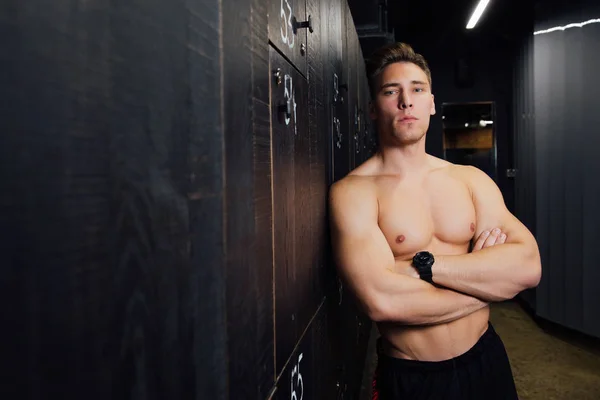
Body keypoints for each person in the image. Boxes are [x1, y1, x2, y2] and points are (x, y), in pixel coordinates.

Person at [328, 42, 542, 399]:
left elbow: (528, 266)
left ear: (431, 104)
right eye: (390, 91)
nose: (405, 101)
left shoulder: (470, 180)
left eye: (417, 89)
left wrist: (423, 268)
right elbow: (382, 301)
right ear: (372, 109)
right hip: (413, 377)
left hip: (486, 360)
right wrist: (489, 286)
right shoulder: (353, 193)